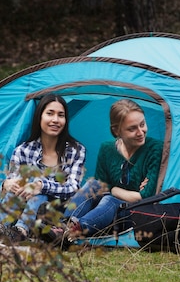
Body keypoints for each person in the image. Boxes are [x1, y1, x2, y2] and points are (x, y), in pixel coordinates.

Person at [62, 99, 162, 242]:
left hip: (133, 213)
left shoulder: (155, 149)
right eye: (132, 128)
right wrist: (127, 193)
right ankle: (62, 225)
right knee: (93, 185)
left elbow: (146, 196)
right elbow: (101, 187)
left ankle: (76, 229)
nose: (141, 132)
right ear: (117, 130)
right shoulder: (107, 149)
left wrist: (115, 190)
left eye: (142, 124)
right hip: (103, 213)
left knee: (110, 199)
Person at [0, 94, 86, 243]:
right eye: (50, 113)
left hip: (55, 212)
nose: (55, 120)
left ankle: (20, 230)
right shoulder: (22, 150)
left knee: (38, 186)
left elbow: (74, 188)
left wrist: (42, 185)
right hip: (23, 206)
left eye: (61, 115)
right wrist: (7, 184)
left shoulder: (75, 150)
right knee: (23, 182)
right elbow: (12, 186)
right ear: (39, 117)